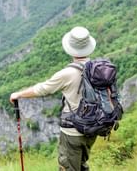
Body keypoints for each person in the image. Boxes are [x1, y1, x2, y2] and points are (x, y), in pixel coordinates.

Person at [9, 26, 97, 171]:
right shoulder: (98, 68)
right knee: (81, 165)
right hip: (93, 128)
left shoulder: (67, 73)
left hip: (73, 131)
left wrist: (18, 94)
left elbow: (42, 89)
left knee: (68, 167)